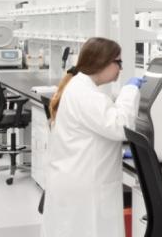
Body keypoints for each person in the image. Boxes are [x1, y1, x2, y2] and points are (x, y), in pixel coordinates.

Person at [42, 37, 144, 237]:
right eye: (118, 62)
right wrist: (130, 90)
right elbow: (120, 126)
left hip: (74, 179)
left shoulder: (80, 88)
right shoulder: (87, 95)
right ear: (102, 62)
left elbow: (91, 134)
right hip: (83, 188)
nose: (120, 69)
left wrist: (115, 153)